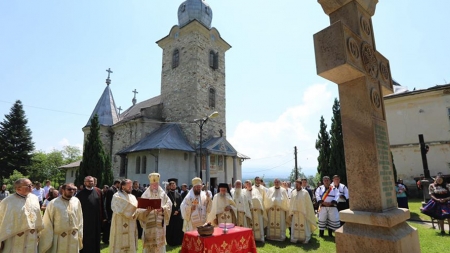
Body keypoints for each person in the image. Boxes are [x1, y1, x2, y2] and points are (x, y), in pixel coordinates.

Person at [0, 178, 43, 253]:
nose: (31, 187)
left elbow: (38, 216)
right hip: (15, 237)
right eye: (28, 185)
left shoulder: (35, 198)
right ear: (18, 188)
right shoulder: (7, 201)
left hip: (31, 236)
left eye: (31, 185)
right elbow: (1, 220)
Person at [39, 183, 83, 253]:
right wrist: (48, 238)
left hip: (73, 236)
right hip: (59, 237)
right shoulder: (54, 203)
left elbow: (80, 218)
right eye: (69, 189)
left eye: (73, 189)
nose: (72, 191)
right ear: (63, 190)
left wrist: (80, 233)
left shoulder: (76, 201)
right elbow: (47, 222)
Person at [138, 173, 172, 252]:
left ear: (158, 184)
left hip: (160, 224)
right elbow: (139, 209)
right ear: (150, 184)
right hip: (149, 224)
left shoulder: (163, 194)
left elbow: (169, 204)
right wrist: (147, 211)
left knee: (159, 246)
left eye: (156, 184)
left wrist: (163, 208)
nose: (154, 186)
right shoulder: (145, 194)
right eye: (152, 184)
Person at [109, 179, 143, 253]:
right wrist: (135, 209)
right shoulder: (116, 196)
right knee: (119, 244)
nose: (131, 188)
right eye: (129, 186)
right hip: (119, 224)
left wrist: (142, 209)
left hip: (131, 224)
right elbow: (121, 208)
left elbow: (137, 209)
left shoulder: (133, 197)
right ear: (123, 187)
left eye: (131, 186)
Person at [76, 176, 105, 253]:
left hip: (96, 220)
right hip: (85, 220)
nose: (90, 183)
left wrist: (104, 217)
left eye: (91, 181)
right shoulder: (80, 194)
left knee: (96, 238)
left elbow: (102, 205)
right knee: (86, 239)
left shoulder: (98, 192)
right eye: (88, 181)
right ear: (84, 183)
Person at [288, 179, 317, 244]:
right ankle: (294, 238)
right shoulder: (293, 192)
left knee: (304, 226)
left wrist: (306, 211)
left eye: (298, 184)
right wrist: (291, 211)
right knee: (295, 226)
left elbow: (308, 204)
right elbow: (291, 202)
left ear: (301, 184)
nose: (296, 186)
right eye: (295, 184)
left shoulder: (305, 192)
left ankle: (305, 238)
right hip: (295, 213)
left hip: (303, 213)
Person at [166, 181, 184, 246]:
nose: (173, 186)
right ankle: (171, 242)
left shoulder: (179, 195)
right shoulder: (167, 195)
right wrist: (172, 212)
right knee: (171, 229)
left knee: (178, 228)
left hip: (178, 215)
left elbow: (181, 204)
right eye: (172, 185)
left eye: (174, 185)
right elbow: (166, 205)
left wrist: (178, 211)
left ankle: (179, 241)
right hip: (171, 215)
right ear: (169, 186)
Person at [104, 180, 121, 244]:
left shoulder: (114, 190)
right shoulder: (111, 190)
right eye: (119, 184)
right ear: (117, 184)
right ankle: (106, 239)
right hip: (110, 211)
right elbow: (110, 202)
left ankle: (109, 238)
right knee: (108, 226)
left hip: (112, 210)